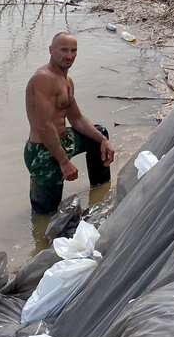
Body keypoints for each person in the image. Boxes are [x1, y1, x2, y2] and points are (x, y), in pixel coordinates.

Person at [24, 31, 115, 215]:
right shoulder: (43, 78)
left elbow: (77, 119)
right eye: (64, 50)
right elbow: (44, 127)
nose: (69, 56)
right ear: (50, 50)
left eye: (73, 50)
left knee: (100, 135)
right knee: (45, 215)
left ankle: (100, 194)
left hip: (64, 140)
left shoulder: (67, 80)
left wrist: (103, 141)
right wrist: (63, 161)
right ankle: (42, 240)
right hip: (43, 151)